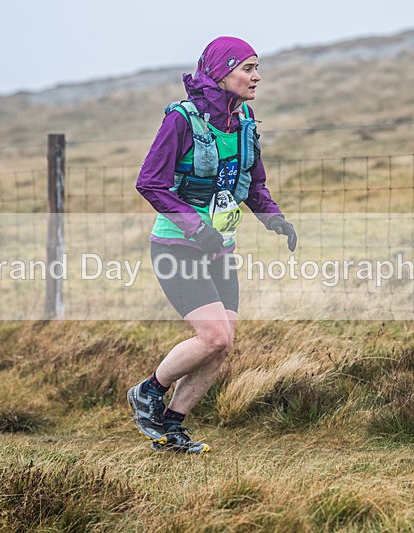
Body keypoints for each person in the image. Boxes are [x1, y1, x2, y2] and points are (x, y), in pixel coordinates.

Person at [128, 36, 297, 454]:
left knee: (223, 345)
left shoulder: (244, 121)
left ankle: (171, 428)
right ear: (222, 72)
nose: (256, 76)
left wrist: (273, 216)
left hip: (221, 249)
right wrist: (193, 226)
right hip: (177, 247)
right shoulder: (182, 121)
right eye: (247, 68)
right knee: (214, 336)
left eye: (258, 68)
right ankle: (149, 391)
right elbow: (149, 182)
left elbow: (253, 183)